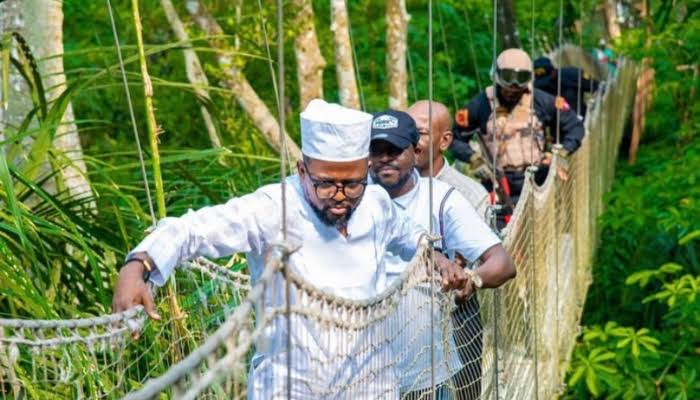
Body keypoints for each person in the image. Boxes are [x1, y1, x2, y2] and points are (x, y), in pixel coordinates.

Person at [111, 99, 471, 399]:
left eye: (353, 184)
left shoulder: (376, 203)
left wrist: (439, 261)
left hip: (371, 383)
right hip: (291, 386)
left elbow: (412, 237)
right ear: (302, 171)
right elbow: (192, 229)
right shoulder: (274, 208)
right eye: (326, 184)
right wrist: (137, 265)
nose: (341, 197)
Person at [369, 110, 516, 399]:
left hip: (428, 364)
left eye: (394, 150)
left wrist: (470, 280)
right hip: (366, 367)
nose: (385, 158)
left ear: (414, 150)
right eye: (376, 151)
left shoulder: (444, 197)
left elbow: (502, 263)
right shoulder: (352, 198)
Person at [451, 48, 586, 227]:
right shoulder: (481, 105)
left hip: (537, 180)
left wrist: (561, 152)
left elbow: (575, 127)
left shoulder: (542, 101)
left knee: (540, 231)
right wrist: (473, 159)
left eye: (520, 79)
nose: (513, 87)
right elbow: (453, 138)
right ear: (497, 75)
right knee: (502, 236)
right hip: (497, 184)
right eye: (508, 78)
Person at [408, 100, 490, 221]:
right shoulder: (386, 186)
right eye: (406, 133)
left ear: (444, 141)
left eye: (421, 133)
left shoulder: (469, 195)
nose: (411, 141)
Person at [533, 56, 600, 118]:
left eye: (550, 80)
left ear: (554, 72)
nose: (548, 85)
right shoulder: (537, 88)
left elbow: (598, 87)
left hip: (582, 120)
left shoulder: (571, 74)